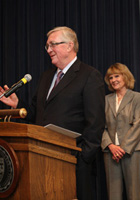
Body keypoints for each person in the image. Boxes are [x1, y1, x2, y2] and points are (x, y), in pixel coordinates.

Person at [0, 26, 105, 200]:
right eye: (47, 46)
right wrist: (18, 104)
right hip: (41, 157)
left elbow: (96, 123)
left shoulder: (89, 75)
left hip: (73, 161)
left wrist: (83, 157)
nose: (49, 50)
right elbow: (37, 113)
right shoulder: (46, 77)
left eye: (53, 45)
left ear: (69, 46)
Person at [101, 63, 140, 200]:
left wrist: (122, 149)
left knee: (133, 194)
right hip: (110, 152)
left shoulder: (138, 98)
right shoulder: (106, 100)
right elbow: (101, 126)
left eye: (116, 76)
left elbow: (138, 125)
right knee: (113, 195)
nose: (113, 80)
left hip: (132, 151)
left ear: (125, 77)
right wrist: (111, 146)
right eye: (110, 77)